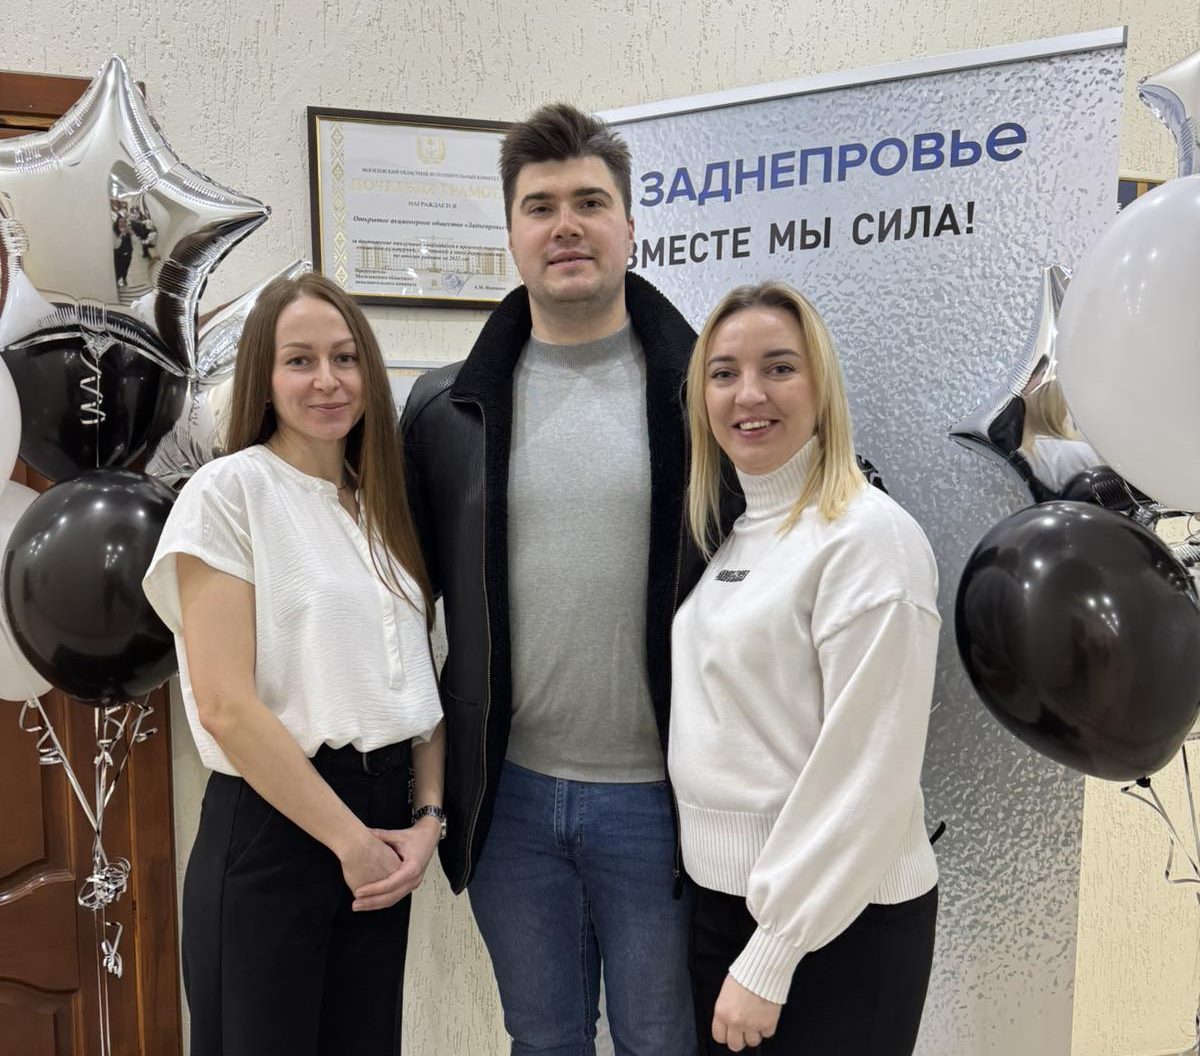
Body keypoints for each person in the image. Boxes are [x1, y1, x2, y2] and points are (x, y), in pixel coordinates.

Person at [401, 103, 707, 1055]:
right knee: (541, 1041)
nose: (565, 225)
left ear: (630, 225)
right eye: (540, 206)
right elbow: (398, 606)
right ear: (511, 235)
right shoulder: (445, 411)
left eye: (589, 202)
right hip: (512, 801)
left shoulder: (707, 395)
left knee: (663, 1042)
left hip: (664, 799)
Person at [142, 272, 445, 1056]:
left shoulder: (382, 507)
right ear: (265, 378)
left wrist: (427, 820)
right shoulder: (228, 493)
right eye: (299, 360)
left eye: (345, 358)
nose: (327, 380)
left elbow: (417, 685)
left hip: (381, 830)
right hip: (275, 831)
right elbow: (224, 706)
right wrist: (350, 842)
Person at [671, 282, 941, 1054]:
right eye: (724, 373)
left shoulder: (868, 541)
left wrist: (774, 951)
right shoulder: (741, 532)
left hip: (835, 928)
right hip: (733, 910)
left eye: (779, 368)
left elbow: (869, 770)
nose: (748, 394)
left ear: (821, 388)